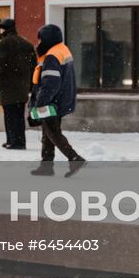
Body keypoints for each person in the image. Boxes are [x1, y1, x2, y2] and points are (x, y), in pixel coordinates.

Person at [28, 23, 85, 175]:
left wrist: (39, 103)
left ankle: (74, 158)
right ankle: (46, 166)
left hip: (52, 101)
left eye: (40, 39)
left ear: (47, 39)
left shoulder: (52, 56)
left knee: (53, 132)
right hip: (59, 98)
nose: (38, 43)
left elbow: (50, 84)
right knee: (48, 132)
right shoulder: (62, 50)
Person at [0, 18, 34, 150]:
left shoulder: (0, 45)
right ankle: (20, 141)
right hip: (22, 87)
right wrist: (29, 84)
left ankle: (13, 141)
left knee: (9, 115)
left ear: (3, 29)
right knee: (19, 115)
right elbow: (34, 66)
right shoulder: (26, 44)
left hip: (6, 87)